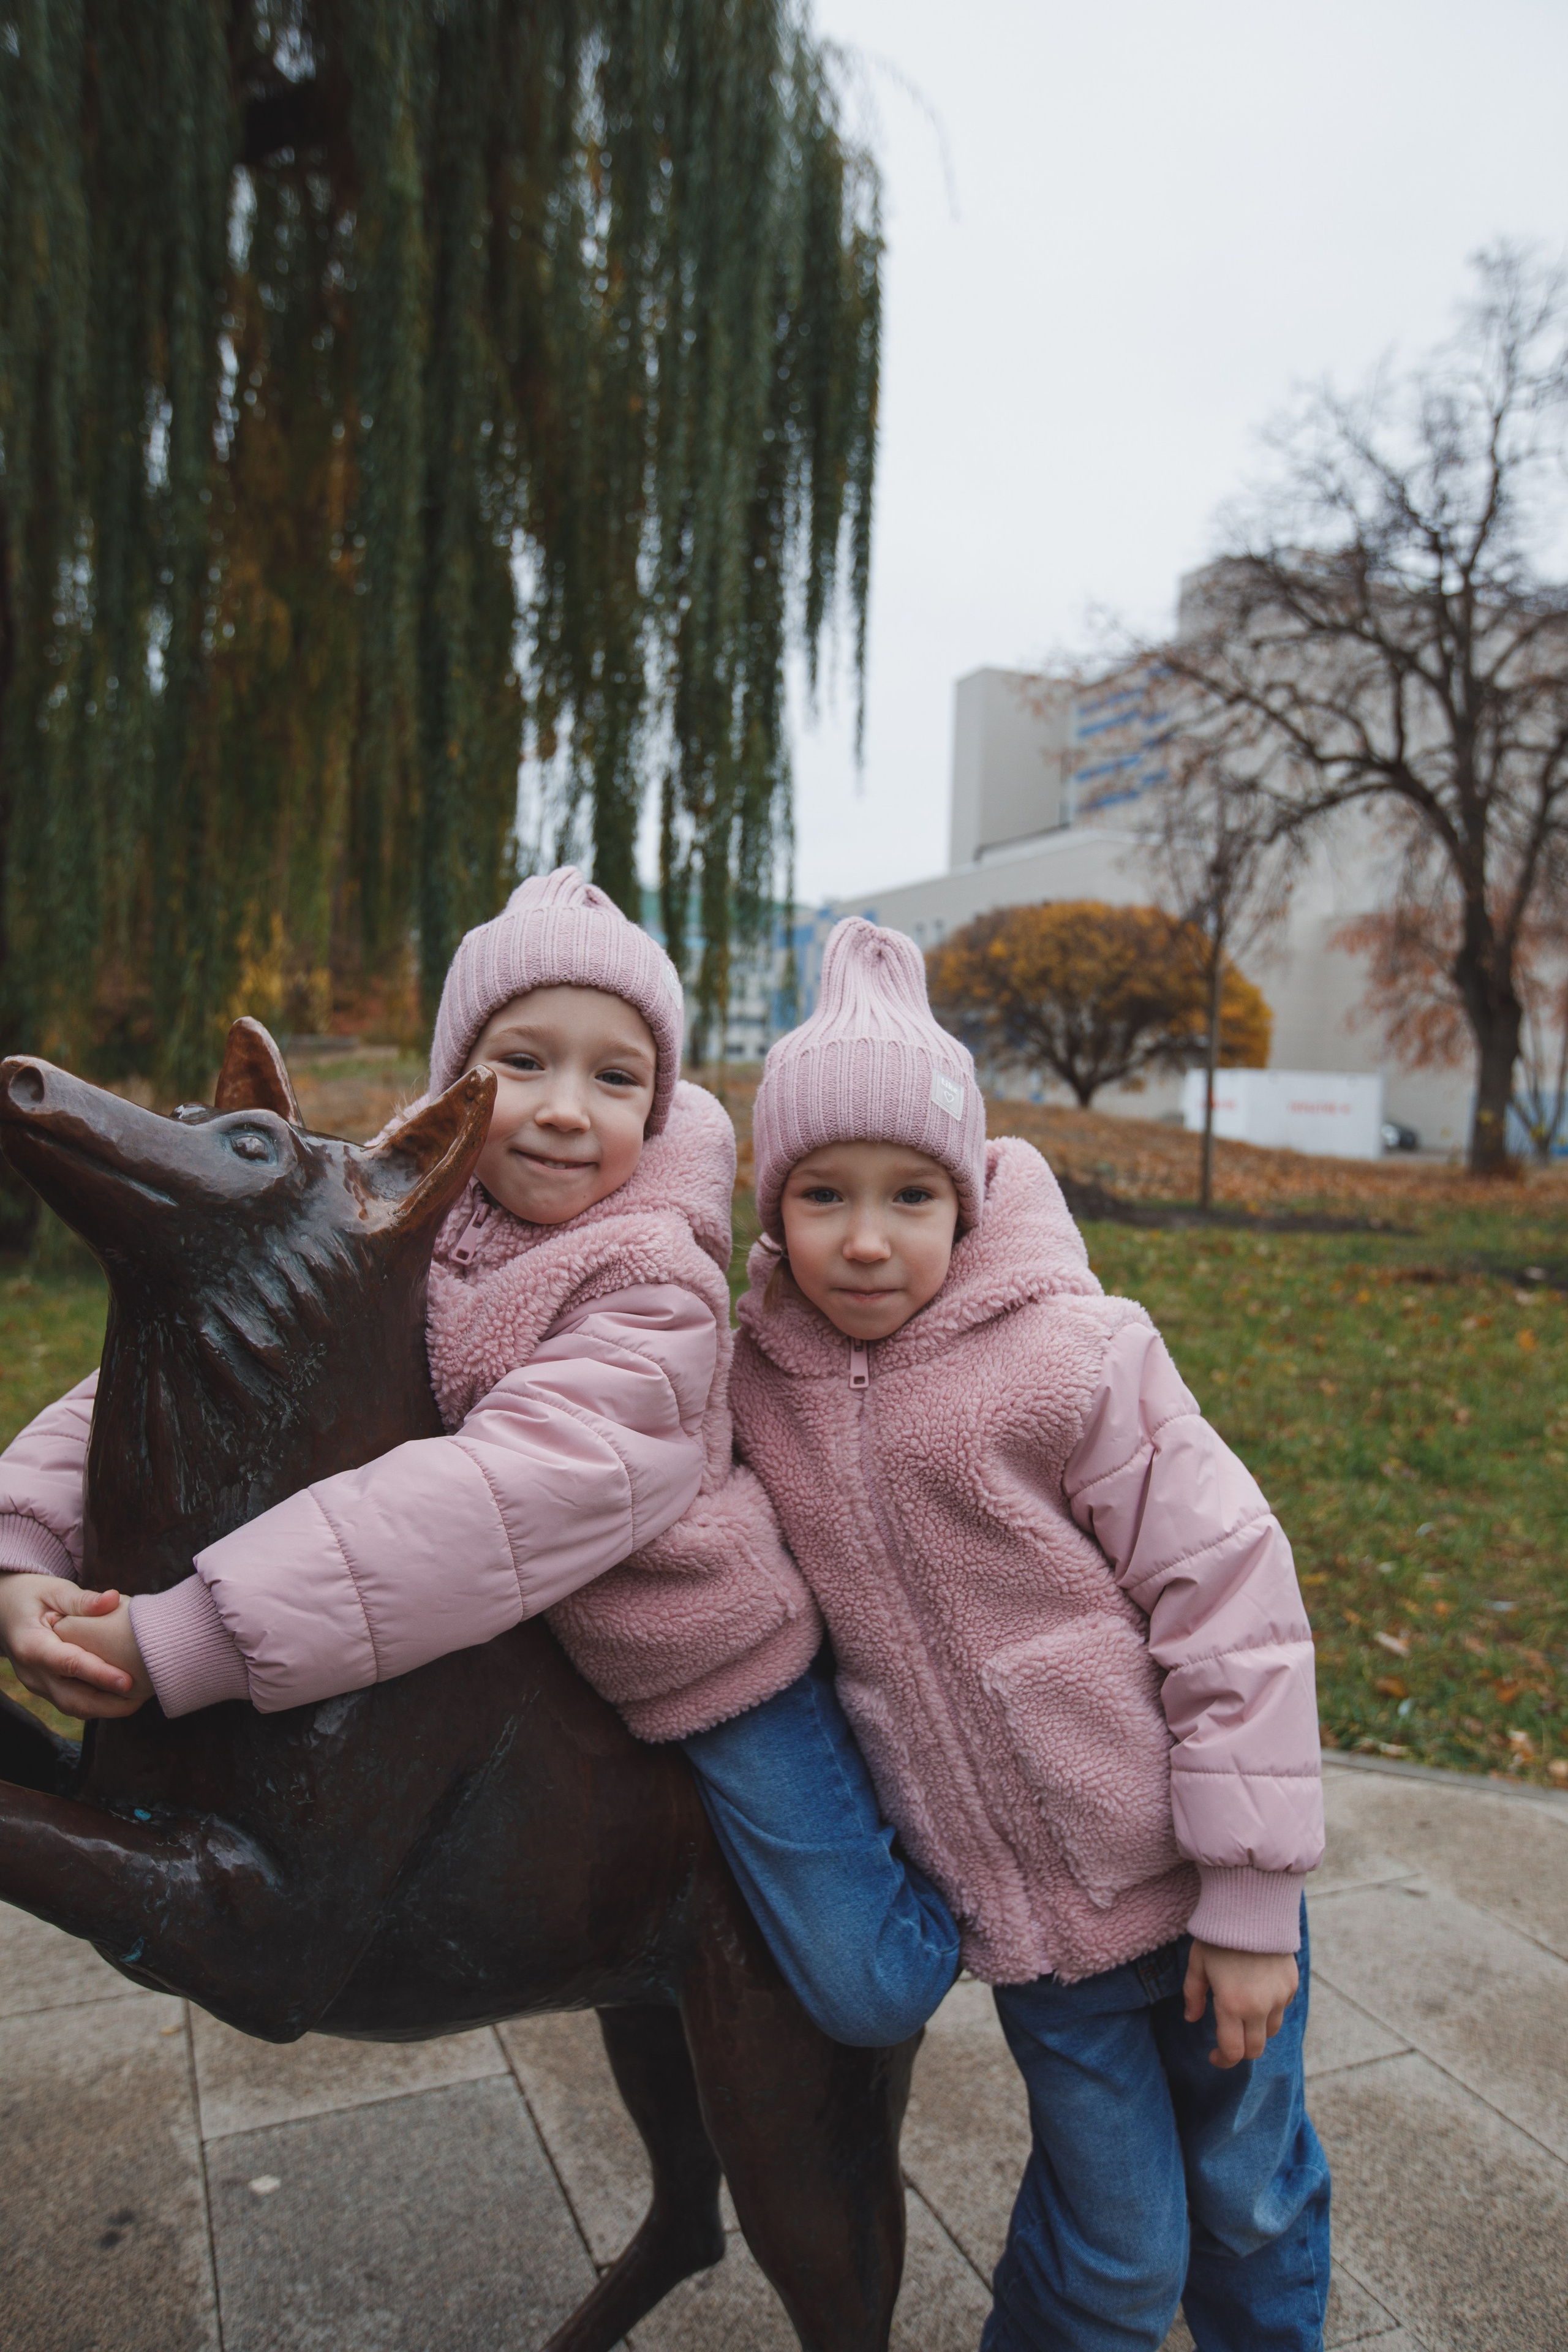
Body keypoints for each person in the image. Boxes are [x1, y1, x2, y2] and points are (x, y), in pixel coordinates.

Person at [0, 868, 957, 2046]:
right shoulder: (418, 1219)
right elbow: (185, 1372)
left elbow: (500, 1497)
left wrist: (189, 1633)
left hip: (694, 1660)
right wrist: (21, 1546)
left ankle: (959, 1901)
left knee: (863, 1992)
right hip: (508, 1636)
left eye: (616, 1077)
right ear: (459, 1083)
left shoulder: (651, 1283)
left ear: (659, 1109)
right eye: (522, 1063)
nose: (565, 1109)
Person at [718, 915, 1330, 2352]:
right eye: (821, 1196)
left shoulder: (1072, 1354)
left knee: (1246, 2208)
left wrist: (1249, 1901)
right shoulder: (754, 1385)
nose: (865, 1239)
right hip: (1036, 1943)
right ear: (771, 1206)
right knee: (1114, 2257)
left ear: (969, 1199)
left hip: (1197, 1900)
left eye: (910, 1195)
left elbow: (1231, 1594)